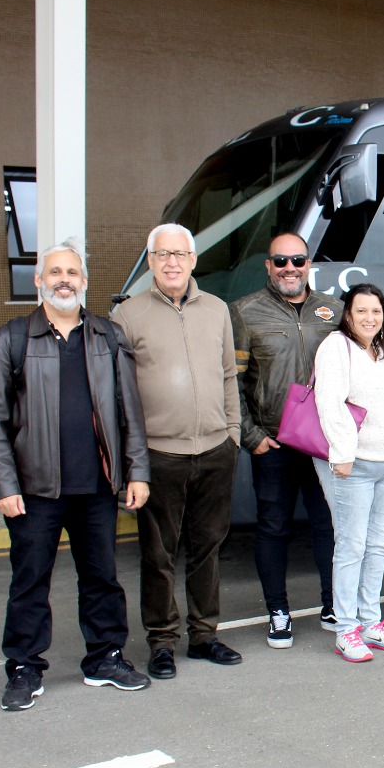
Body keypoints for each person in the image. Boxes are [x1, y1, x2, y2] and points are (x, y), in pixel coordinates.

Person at [0, 239, 152, 711]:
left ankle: (105, 657)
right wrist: (4, 485)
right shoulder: (12, 339)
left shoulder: (108, 336)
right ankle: (24, 666)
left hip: (96, 485)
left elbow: (129, 414)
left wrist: (137, 471)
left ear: (84, 281)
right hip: (33, 489)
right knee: (30, 580)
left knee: (101, 577)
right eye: (54, 272)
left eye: (72, 273)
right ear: (39, 281)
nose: (63, 280)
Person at [112, 224, 242, 680]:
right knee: (158, 553)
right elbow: (120, 394)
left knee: (208, 548)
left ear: (192, 260)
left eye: (180, 254)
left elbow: (229, 375)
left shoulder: (217, 310)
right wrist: (134, 459)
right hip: (158, 454)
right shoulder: (127, 316)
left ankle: (204, 635)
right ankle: (162, 641)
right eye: (162, 254)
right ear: (150, 261)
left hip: (214, 449)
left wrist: (232, 434)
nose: (172, 262)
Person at [230, 232, 342, 648]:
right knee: (273, 528)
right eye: (280, 261)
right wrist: (251, 436)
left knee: (328, 525)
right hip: (273, 444)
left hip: (323, 442)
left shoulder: (334, 310)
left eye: (297, 260)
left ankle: (334, 603)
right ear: (268, 266)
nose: (289, 269)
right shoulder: (244, 312)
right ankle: (278, 611)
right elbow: (232, 382)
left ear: (309, 263)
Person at [313, 283, 384, 662]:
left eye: (375, 311)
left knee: (376, 545)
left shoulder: (381, 351)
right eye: (361, 311)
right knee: (351, 547)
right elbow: (330, 402)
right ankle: (345, 629)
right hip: (352, 465)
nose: (369, 318)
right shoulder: (337, 346)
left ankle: (371, 621)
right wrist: (342, 453)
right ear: (348, 314)